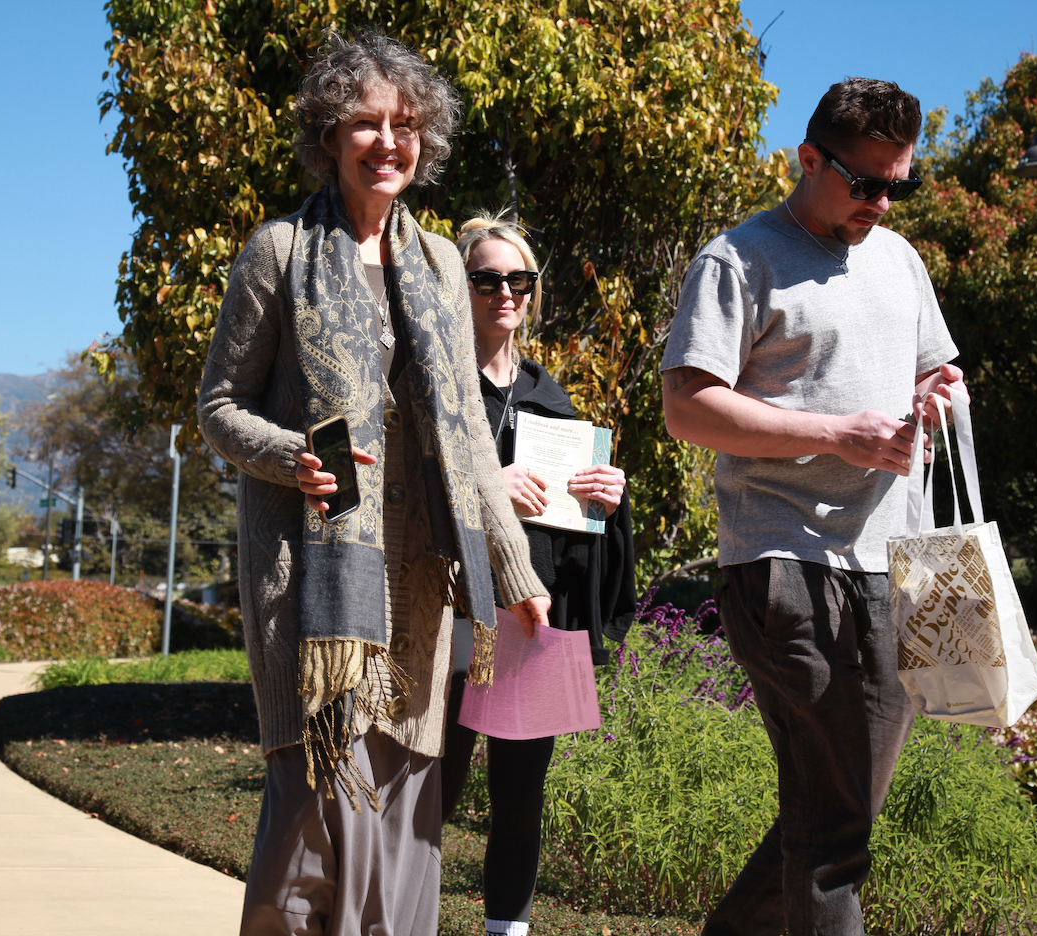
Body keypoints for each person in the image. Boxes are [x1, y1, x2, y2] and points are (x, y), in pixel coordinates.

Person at [197, 33, 549, 936]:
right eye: (365, 123)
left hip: (418, 590)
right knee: (312, 836)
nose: (389, 142)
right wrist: (292, 456)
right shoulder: (279, 252)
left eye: (406, 125)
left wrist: (514, 573)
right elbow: (219, 407)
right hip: (311, 588)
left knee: (400, 833)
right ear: (328, 134)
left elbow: (466, 435)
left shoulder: (439, 266)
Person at [660, 78, 967, 936]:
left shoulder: (900, 261)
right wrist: (837, 434)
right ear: (808, 159)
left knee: (844, 811)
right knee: (834, 820)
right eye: (864, 183)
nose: (881, 203)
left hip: (895, 563)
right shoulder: (738, 259)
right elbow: (686, 409)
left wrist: (938, 396)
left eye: (899, 184)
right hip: (783, 561)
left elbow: (936, 373)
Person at [441, 212, 637, 936]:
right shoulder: (436, 387)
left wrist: (610, 501)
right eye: (486, 279)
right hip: (449, 613)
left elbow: (582, 536)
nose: (505, 293)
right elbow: (401, 492)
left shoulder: (552, 403)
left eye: (519, 280)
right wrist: (490, 483)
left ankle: (508, 930)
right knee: (431, 790)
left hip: (532, 616)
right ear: (457, 287)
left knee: (522, 797)